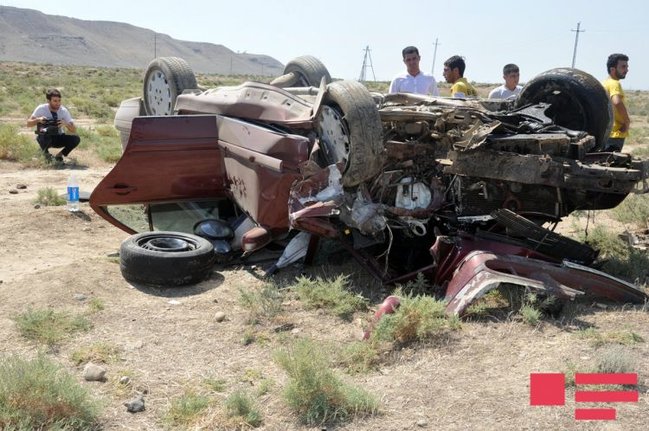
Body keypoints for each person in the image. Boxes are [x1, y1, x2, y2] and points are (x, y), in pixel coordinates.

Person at [27, 88, 80, 163]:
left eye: (59, 100)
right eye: (55, 101)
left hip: (58, 137)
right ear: (48, 101)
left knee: (76, 138)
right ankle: (45, 154)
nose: (58, 103)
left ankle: (59, 156)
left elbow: (74, 130)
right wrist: (38, 120)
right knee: (43, 135)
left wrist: (65, 124)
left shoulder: (63, 111)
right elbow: (28, 124)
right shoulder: (41, 108)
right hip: (44, 137)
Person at [602, 53, 630, 152]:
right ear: (612, 69)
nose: (626, 70)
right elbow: (617, 102)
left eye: (627, 66)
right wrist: (627, 122)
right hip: (616, 133)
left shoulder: (604, 83)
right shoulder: (615, 83)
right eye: (623, 66)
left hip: (605, 131)